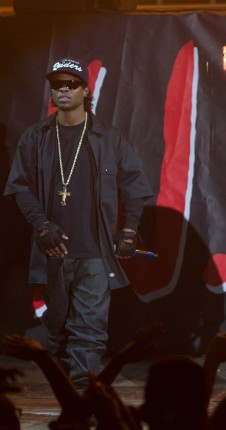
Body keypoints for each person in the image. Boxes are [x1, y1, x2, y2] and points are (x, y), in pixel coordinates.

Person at [3, 57, 153, 389]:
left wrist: (129, 229)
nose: (63, 89)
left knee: (90, 330)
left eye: (71, 84)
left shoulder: (108, 137)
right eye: (57, 84)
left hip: (96, 252)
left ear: (86, 90)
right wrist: (42, 226)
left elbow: (135, 187)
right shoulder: (36, 137)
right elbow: (20, 187)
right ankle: (66, 381)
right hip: (53, 250)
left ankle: (84, 395)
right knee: (58, 326)